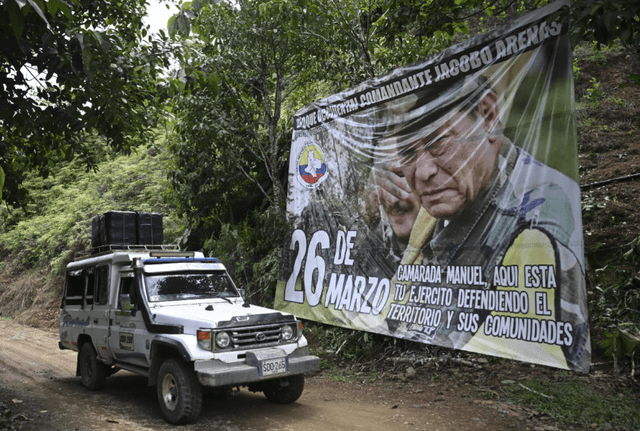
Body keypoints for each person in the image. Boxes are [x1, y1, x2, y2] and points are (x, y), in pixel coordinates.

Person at [371, 75, 590, 372]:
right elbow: (395, 305)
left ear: (487, 117)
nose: (423, 172)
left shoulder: (541, 223)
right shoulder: (441, 204)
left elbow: (516, 360)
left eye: (439, 143)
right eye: (408, 153)